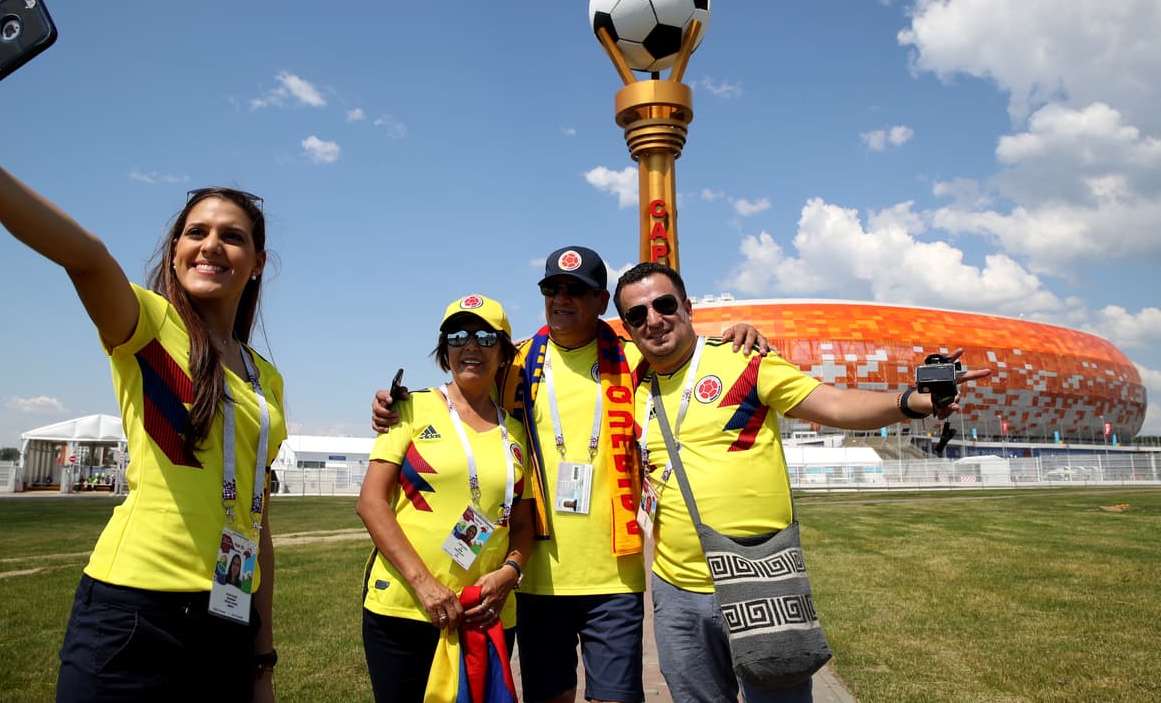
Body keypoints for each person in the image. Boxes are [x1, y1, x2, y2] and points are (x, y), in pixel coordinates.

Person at [0, 45, 284, 702]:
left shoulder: (264, 379)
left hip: (228, 622)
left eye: (232, 235)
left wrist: (262, 656)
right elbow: (85, 256)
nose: (212, 244)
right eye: (196, 231)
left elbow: (257, 521)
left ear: (257, 261)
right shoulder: (149, 323)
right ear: (175, 249)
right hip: (135, 616)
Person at [375, 246, 767, 703]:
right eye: (552, 289)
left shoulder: (632, 356)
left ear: (601, 301)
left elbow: (684, 353)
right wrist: (391, 405)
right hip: (540, 576)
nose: (562, 299)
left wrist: (736, 336)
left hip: (614, 577)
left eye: (575, 290)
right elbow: (463, 389)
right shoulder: (516, 361)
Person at [612, 262, 991, 703]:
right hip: (676, 589)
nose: (653, 320)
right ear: (628, 328)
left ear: (688, 307)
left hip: (761, 577)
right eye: (637, 315)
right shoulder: (630, 382)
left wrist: (912, 401)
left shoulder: (742, 358)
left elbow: (831, 403)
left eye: (664, 304)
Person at [357, 294, 536, 703]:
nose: (470, 346)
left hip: (484, 612)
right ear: (445, 350)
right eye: (457, 335)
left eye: (485, 337)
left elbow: (523, 526)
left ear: (504, 351)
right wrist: (425, 586)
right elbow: (371, 503)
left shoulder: (517, 431)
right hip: (405, 608)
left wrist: (510, 573)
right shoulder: (410, 408)